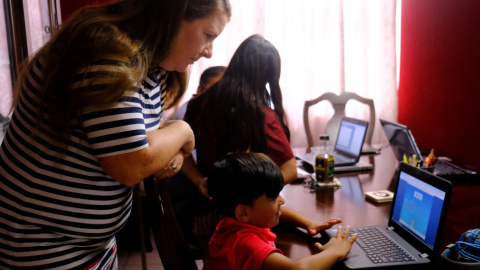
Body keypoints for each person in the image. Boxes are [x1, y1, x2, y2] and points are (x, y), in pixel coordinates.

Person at [0, 0, 231, 269]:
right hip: (44, 248)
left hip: (91, 246)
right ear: (174, 15)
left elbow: (143, 153)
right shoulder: (107, 56)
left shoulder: (151, 66)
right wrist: (183, 131)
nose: (210, 52)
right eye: (208, 35)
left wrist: (163, 151)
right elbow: (132, 165)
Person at [182, 34, 298, 250]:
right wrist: (255, 191)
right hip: (244, 223)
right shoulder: (262, 117)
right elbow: (290, 170)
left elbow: (182, 151)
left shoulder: (200, 104)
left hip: (204, 219)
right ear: (267, 76)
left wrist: (199, 179)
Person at [204, 152, 357, 270]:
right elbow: (297, 269)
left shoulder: (237, 222)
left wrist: (309, 223)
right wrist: (335, 251)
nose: (281, 201)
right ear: (243, 212)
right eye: (272, 198)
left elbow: (279, 213)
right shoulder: (245, 244)